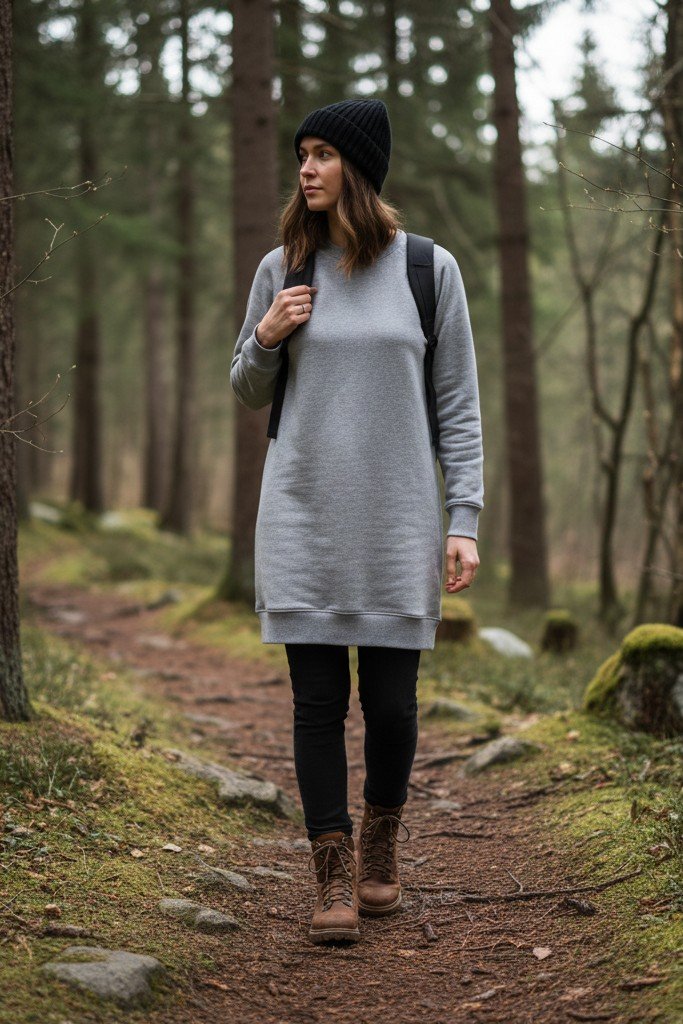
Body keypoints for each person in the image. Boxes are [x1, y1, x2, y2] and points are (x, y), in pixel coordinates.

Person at [230, 98, 484, 944]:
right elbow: (244, 386)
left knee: (392, 704)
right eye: (301, 153)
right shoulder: (283, 267)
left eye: (323, 155)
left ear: (359, 169)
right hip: (302, 513)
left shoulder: (425, 269)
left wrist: (464, 517)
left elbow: (458, 405)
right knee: (315, 702)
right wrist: (265, 337)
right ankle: (331, 868)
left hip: (399, 520)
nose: (305, 168)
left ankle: (380, 840)